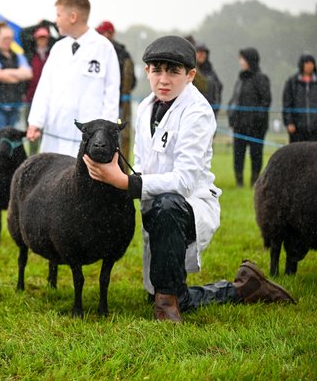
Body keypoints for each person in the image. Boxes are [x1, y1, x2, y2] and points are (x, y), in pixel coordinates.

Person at [82, 36, 295, 323]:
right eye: (157, 70)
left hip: (188, 207)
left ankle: (167, 306)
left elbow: (183, 182)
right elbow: (144, 164)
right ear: (147, 72)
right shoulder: (145, 107)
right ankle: (243, 288)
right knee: (165, 289)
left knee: (169, 206)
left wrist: (124, 183)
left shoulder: (198, 112)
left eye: (174, 71)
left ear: (191, 75)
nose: (164, 79)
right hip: (156, 214)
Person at [27, 0, 120, 157]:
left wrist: (106, 131)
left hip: (89, 134)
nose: (55, 21)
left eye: (58, 15)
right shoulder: (58, 49)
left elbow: (111, 94)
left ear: (73, 17)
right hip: (55, 132)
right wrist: (35, 121)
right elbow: (44, 88)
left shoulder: (104, 48)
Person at [227, 47, 271, 187]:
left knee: (256, 155)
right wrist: (231, 116)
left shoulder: (261, 78)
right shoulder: (240, 79)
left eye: (243, 59)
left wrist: (256, 118)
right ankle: (239, 182)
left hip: (256, 127)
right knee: (238, 155)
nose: (241, 62)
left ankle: (255, 181)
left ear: (250, 60)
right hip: (239, 125)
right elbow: (234, 99)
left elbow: (266, 100)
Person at [96, 20, 136, 162]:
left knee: (118, 137)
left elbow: (132, 81)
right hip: (99, 103)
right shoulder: (96, 50)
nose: (105, 36)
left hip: (120, 106)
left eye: (107, 33)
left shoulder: (122, 54)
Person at [0, 23, 32, 129]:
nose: (7, 41)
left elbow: (28, 74)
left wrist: (4, 73)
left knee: (16, 138)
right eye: (5, 38)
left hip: (16, 103)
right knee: (1, 138)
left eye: (10, 38)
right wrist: (18, 74)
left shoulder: (18, 55)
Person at [22, 25, 52, 155]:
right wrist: (40, 24)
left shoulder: (53, 53)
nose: (42, 40)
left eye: (44, 37)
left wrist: (49, 24)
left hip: (50, 100)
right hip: (30, 98)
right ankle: (33, 159)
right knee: (32, 133)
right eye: (39, 37)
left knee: (48, 134)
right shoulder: (30, 55)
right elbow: (23, 33)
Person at [282, 54, 317, 142]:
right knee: (298, 154)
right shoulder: (292, 82)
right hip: (297, 129)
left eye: (311, 63)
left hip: (315, 128)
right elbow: (287, 104)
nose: (310, 66)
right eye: (307, 63)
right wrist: (289, 122)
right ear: (301, 64)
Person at [195, 43, 223, 117]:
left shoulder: (210, 70)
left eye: (204, 53)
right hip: (195, 111)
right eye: (199, 52)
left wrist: (216, 108)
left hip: (210, 111)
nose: (203, 55)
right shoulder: (191, 71)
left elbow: (219, 87)